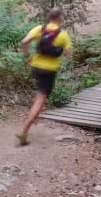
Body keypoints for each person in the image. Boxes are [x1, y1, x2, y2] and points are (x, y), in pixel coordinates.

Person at [16, 8, 72, 146]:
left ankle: (30, 121)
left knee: (39, 95)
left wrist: (27, 56)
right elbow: (68, 54)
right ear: (59, 18)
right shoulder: (63, 35)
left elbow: (24, 42)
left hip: (35, 67)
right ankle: (24, 131)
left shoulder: (40, 29)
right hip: (49, 70)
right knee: (40, 99)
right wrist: (59, 51)